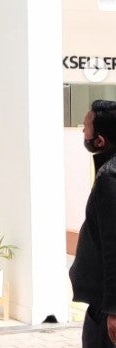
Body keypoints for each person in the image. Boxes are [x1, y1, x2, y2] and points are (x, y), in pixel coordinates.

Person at [69, 99, 116, 347]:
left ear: (100, 140)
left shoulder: (110, 176)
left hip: (104, 307)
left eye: (86, 127)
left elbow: (113, 247)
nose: (83, 132)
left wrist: (112, 309)